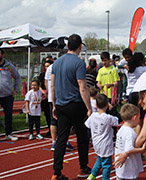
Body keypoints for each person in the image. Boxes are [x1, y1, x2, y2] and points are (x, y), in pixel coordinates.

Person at [51, 34, 92, 180]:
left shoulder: (56, 63)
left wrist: (54, 104)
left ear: (67, 46)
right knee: (82, 137)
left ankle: (56, 172)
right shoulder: (79, 63)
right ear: (80, 46)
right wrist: (89, 107)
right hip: (75, 104)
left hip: (61, 104)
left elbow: (52, 85)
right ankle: (83, 167)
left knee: (61, 139)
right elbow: (82, 86)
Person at [84, 94, 118, 180]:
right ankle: (105, 178)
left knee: (99, 160)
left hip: (96, 143)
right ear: (107, 104)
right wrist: (112, 109)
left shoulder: (93, 116)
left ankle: (92, 176)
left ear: (96, 105)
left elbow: (87, 125)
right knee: (107, 165)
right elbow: (117, 120)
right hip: (106, 145)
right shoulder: (108, 118)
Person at [114, 104, 146, 180]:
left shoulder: (121, 129)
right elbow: (129, 149)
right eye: (139, 117)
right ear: (135, 117)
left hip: (121, 167)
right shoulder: (130, 133)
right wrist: (142, 149)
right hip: (128, 167)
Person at [0, 49, 21, 141]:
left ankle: (8, 133)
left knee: (8, 115)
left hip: (7, 96)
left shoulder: (9, 66)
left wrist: (16, 90)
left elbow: (18, 77)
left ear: (3, 55)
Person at [39, 59, 53, 137]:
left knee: (53, 114)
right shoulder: (42, 75)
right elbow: (39, 85)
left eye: (48, 66)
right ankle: (50, 129)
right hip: (45, 97)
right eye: (45, 66)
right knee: (47, 114)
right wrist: (44, 92)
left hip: (51, 96)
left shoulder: (54, 74)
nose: (47, 68)